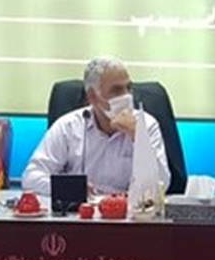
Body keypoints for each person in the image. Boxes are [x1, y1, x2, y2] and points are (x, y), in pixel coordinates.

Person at [22, 56, 170, 196]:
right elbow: (31, 178)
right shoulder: (68, 126)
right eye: (116, 90)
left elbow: (161, 184)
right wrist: (71, 189)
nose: (126, 96)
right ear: (92, 96)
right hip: (82, 211)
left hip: (128, 211)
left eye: (129, 88)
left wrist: (138, 136)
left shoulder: (146, 125)